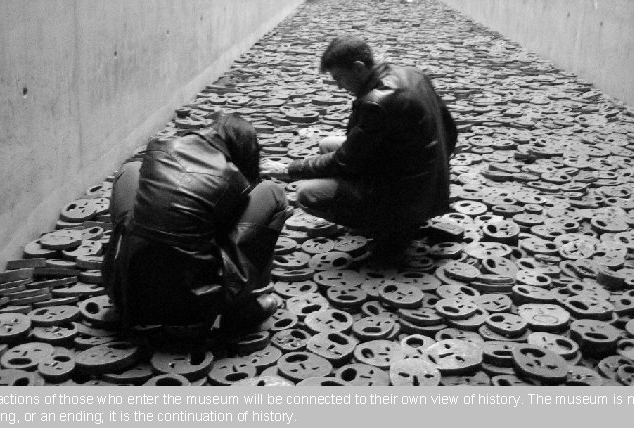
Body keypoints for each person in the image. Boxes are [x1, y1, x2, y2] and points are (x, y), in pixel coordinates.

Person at [262, 36, 457, 257]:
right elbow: (450, 130)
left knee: (307, 193)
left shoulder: (377, 102)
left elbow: (342, 162)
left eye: (339, 78)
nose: (338, 86)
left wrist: (288, 169)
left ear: (358, 68)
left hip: (407, 198)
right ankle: (402, 213)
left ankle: (391, 228)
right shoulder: (413, 74)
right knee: (327, 145)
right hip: (432, 185)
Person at [103, 114, 289, 334]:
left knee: (131, 170)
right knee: (272, 193)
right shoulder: (232, 176)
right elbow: (224, 234)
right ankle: (245, 303)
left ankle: (124, 262)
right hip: (196, 307)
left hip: (127, 294)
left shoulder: (160, 146)